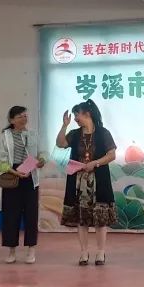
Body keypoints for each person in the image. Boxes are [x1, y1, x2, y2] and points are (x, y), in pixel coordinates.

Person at [56, 101, 117, 266]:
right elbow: (60, 144)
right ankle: (83, 252)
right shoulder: (75, 134)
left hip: (99, 179)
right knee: (81, 218)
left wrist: (95, 163)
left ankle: (100, 252)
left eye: (77, 114)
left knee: (100, 217)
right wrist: (64, 125)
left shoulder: (103, 133)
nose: (75, 118)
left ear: (87, 114)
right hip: (77, 181)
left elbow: (112, 155)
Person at [0, 106, 45, 264]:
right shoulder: (4, 136)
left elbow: (42, 152)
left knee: (31, 214)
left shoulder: (33, 134)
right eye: (19, 117)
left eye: (25, 116)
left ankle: (31, 249)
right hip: (12, 176)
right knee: (11, 214)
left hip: (31, 176)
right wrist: (15, 172)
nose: (23, 119)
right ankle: (11, 250)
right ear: (11, 120)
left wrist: (42, 160)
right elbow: (0, 161)